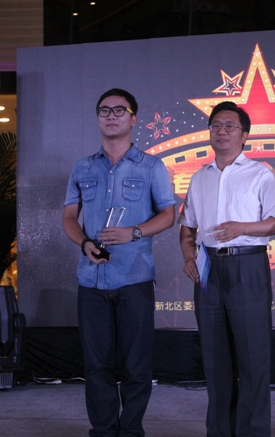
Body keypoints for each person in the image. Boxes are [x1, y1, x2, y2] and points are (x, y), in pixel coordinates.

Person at [62, 88, 176, 437]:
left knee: (136, 365)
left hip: (134, 279)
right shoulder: (82, 167)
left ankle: (131, 430)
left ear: (133, 118)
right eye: (104, 110)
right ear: (98, 117)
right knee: (96, 365)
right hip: (91, 279)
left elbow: (169, 214)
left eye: (119, 110)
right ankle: (102, 430)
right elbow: (69, 217)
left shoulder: (151, 166)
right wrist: (84, 243)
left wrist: (134, 233)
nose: (111, 116)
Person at [178, 101, 275, 437]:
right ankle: (220, 431)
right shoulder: (199, 177)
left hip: (247, 266)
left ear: (244, 135)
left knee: (253, 358)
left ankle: (253, 431)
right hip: (208, 268)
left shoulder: (260, 174)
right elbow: (187, 227)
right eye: (216, 125)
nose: (221, 131)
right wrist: (188, 257)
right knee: (214, 359)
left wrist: (243, 228)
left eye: (229, 126)